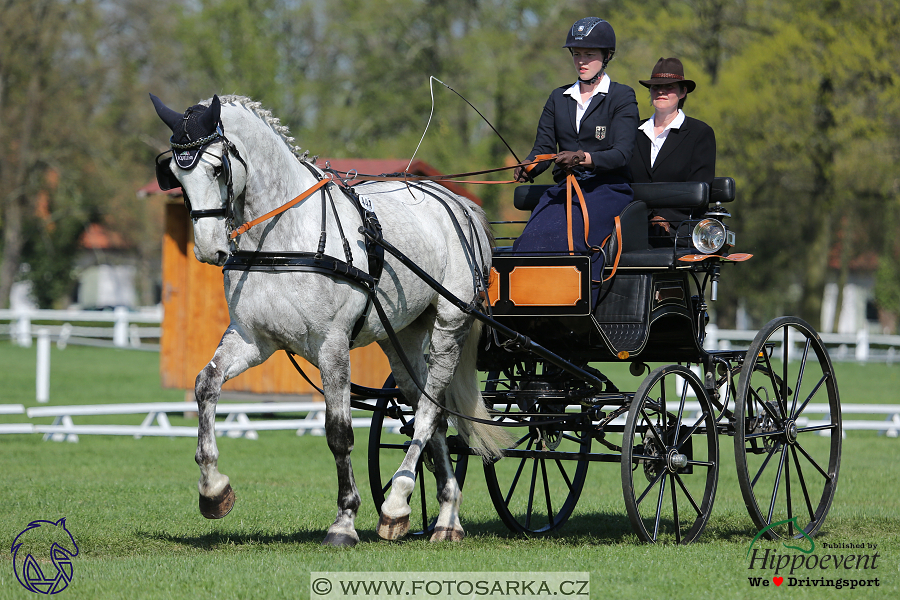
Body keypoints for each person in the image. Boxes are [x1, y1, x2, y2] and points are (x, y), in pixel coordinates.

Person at [512, 17, 639, 266]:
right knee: (529, 241)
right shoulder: (558, 98)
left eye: (589, 54)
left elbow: (622, 154)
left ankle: (582, 298)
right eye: (577, 54)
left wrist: (583, 158)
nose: (581, 61)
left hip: (607, 188)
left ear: (606, 56)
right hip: (566, 190)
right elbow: (543, 148)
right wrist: (529, 166)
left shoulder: (622, 96)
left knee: (570, 240)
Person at [629, 57, 716, 246]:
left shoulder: (699, 133)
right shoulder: (632, 132)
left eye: (669, 86)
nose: (661, 91)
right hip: (633, 224)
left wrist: (664, 218)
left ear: (683, 92)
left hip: (680, 227)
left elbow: (699, 186)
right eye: (655, 87)